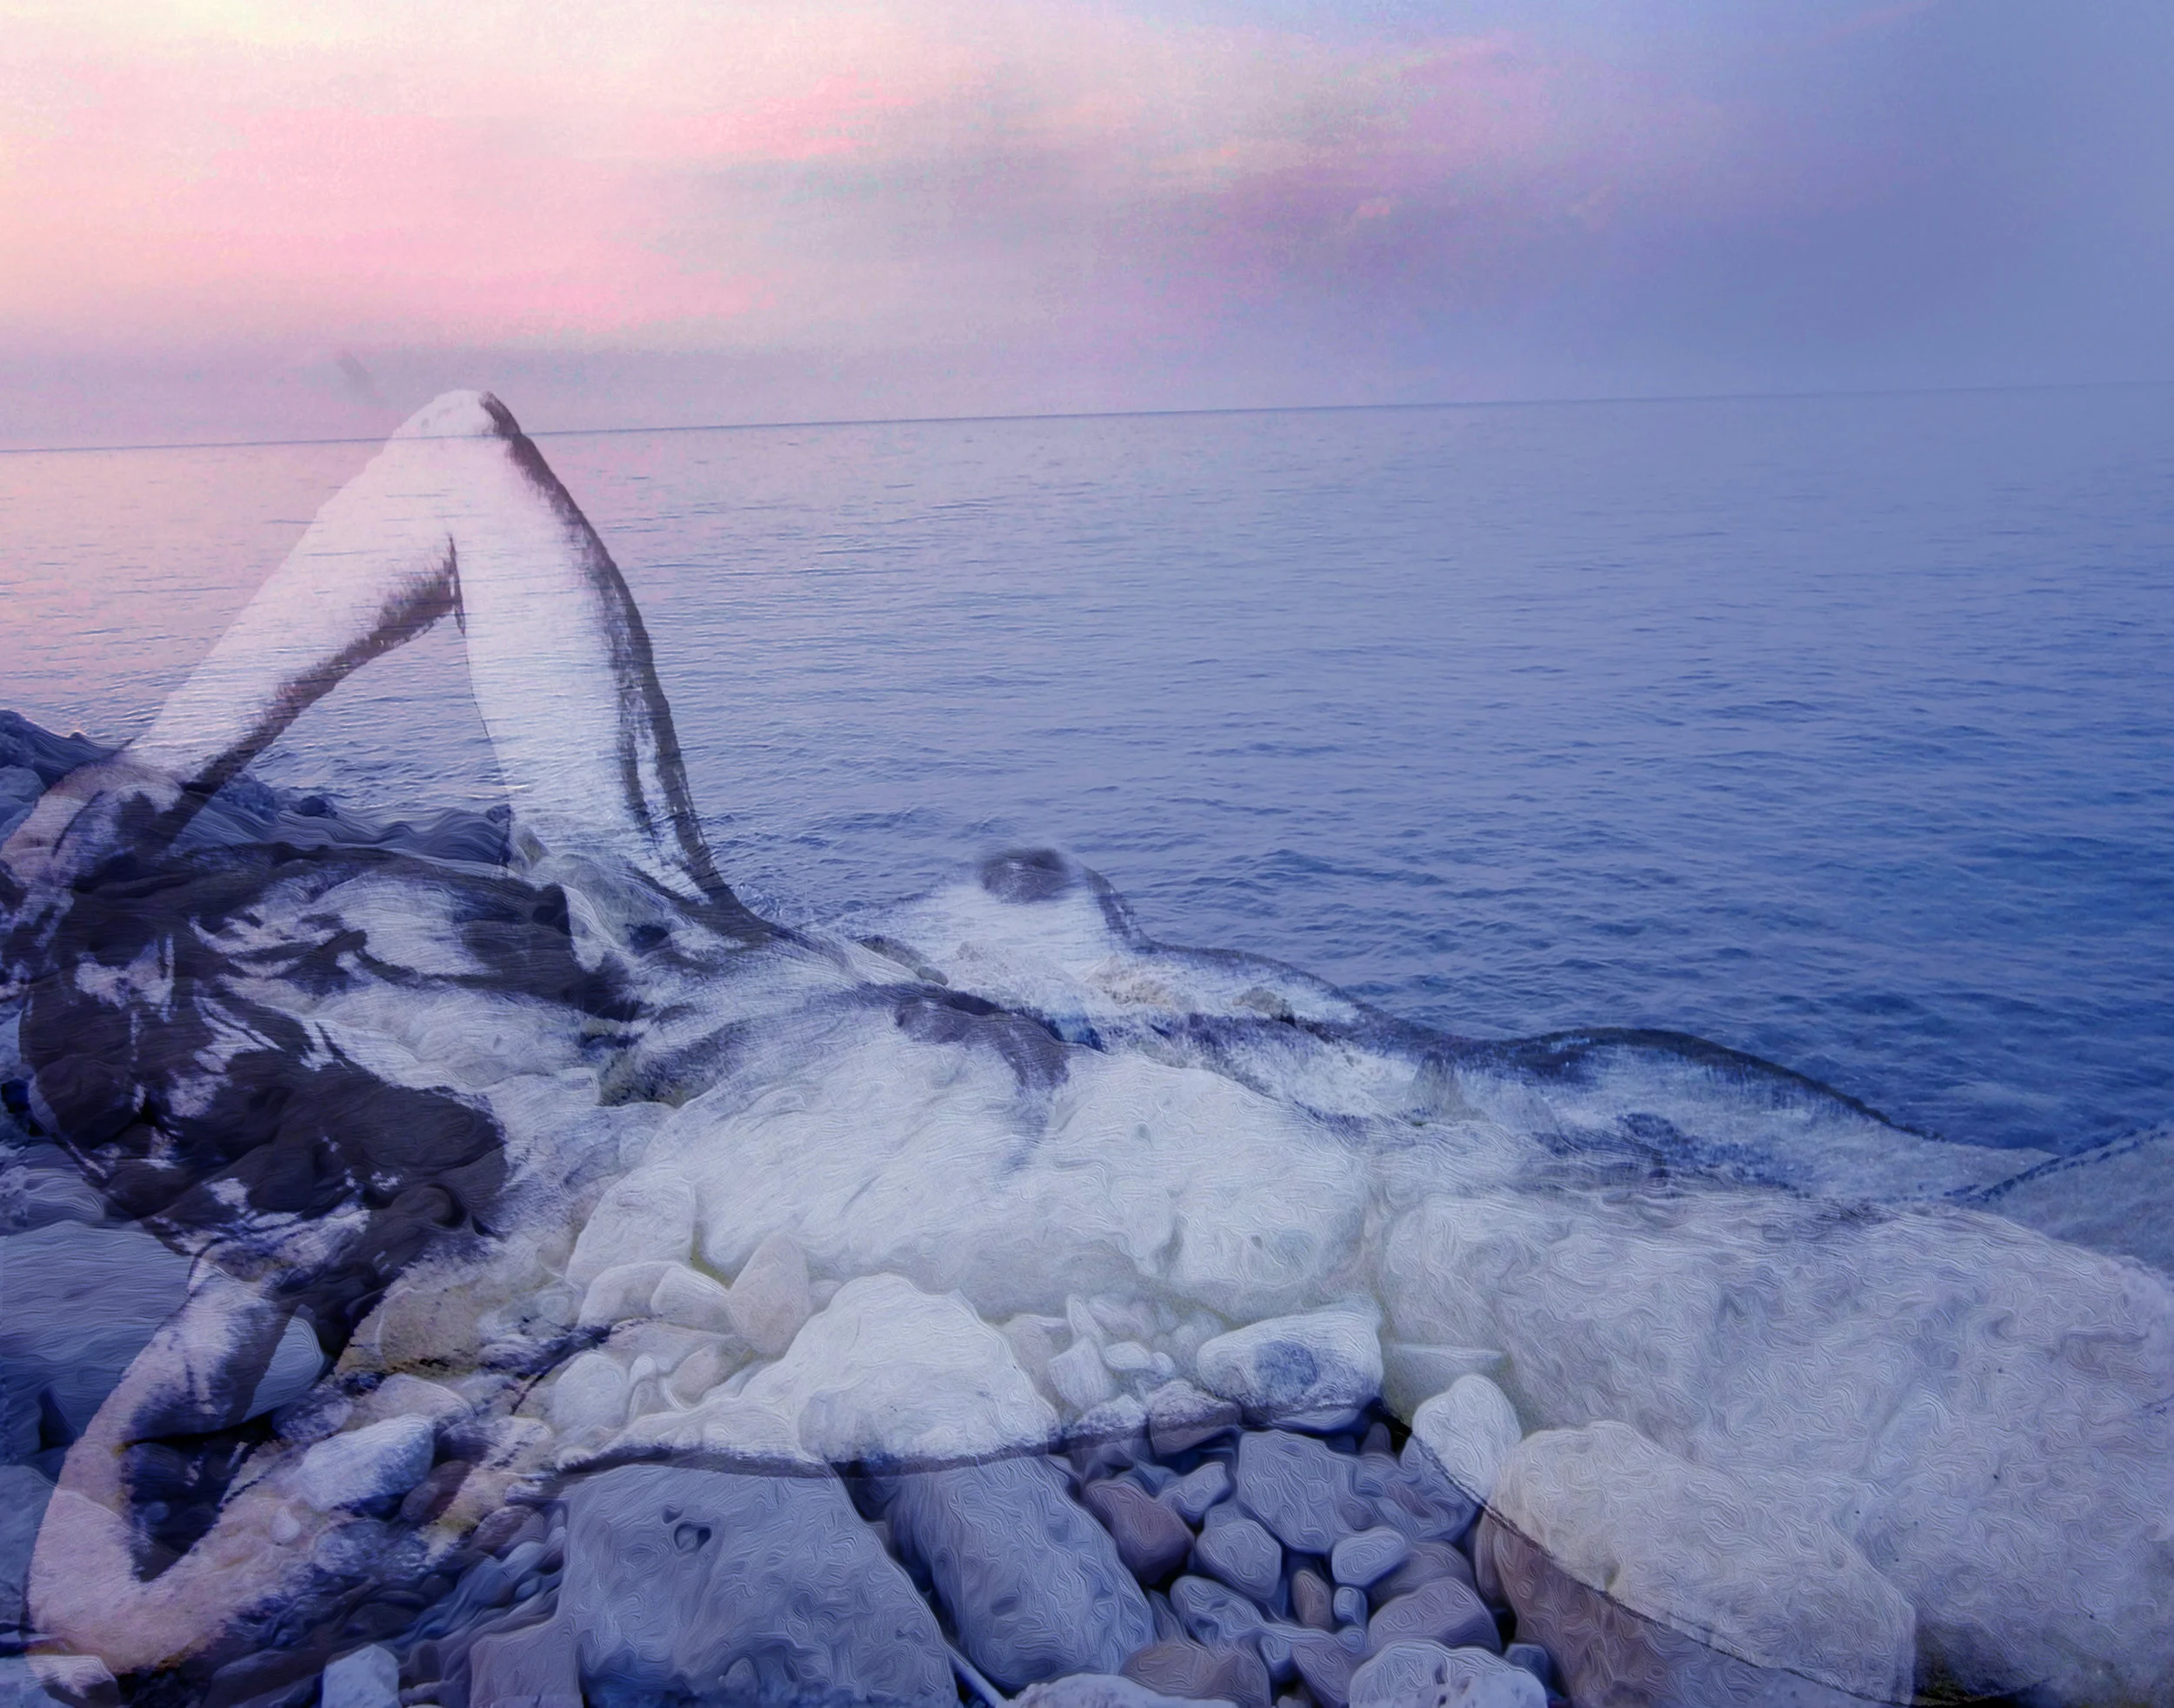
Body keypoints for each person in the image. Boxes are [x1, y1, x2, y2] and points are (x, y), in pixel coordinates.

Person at [7, 395, 2172, 1706]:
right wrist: (149, 791)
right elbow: (137, 1599)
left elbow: (459, 450)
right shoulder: (482, 1214)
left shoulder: (583, 996)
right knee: (1669, 1182)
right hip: (1292, 1173)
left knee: (1644, 1157)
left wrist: (143, 784)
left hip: (1275, 1138)